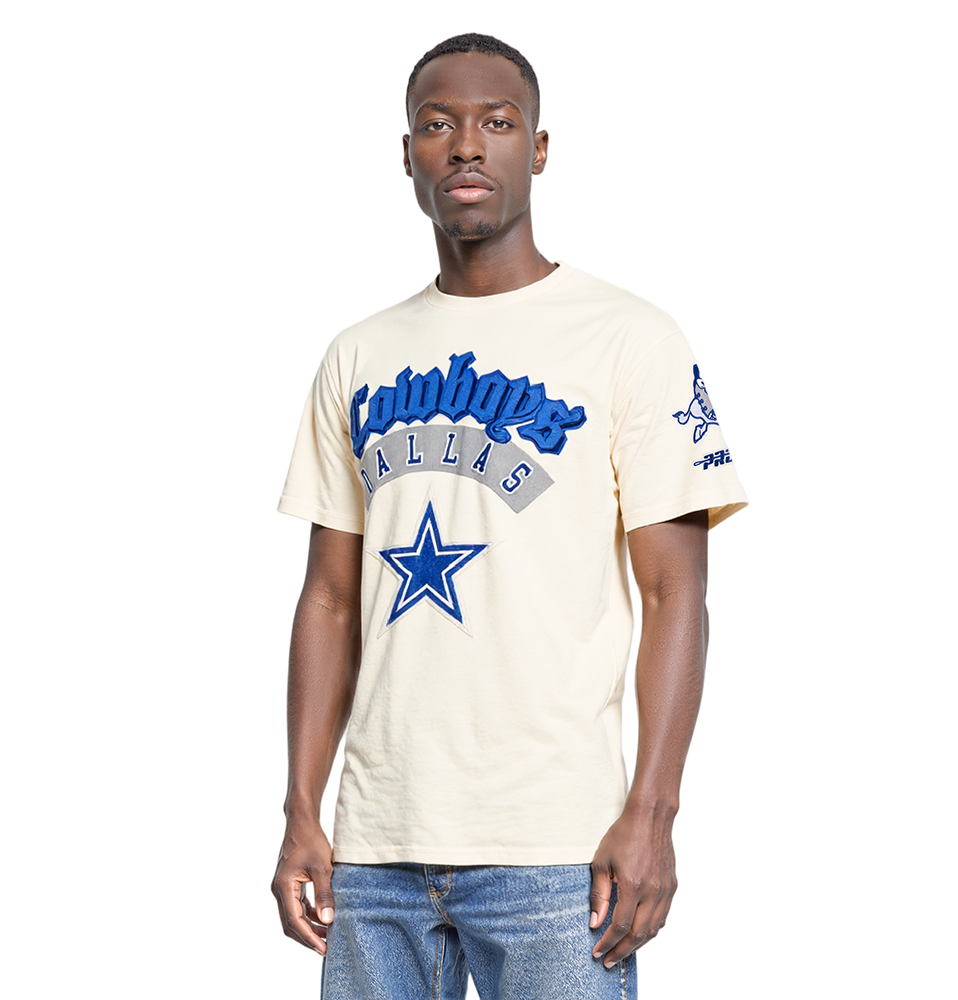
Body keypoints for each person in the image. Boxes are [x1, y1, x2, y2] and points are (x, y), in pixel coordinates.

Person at [271, 32, 747, 1000]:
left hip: (558, 849)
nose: (465, 145)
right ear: (408, 154)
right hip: (376, 850)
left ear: (538, 148)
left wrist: (653, 813)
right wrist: (301, 810)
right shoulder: (357, 354)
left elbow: (675, 592)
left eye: (496, 121)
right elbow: (327, 600)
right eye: (437, 124)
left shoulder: (630, 337)